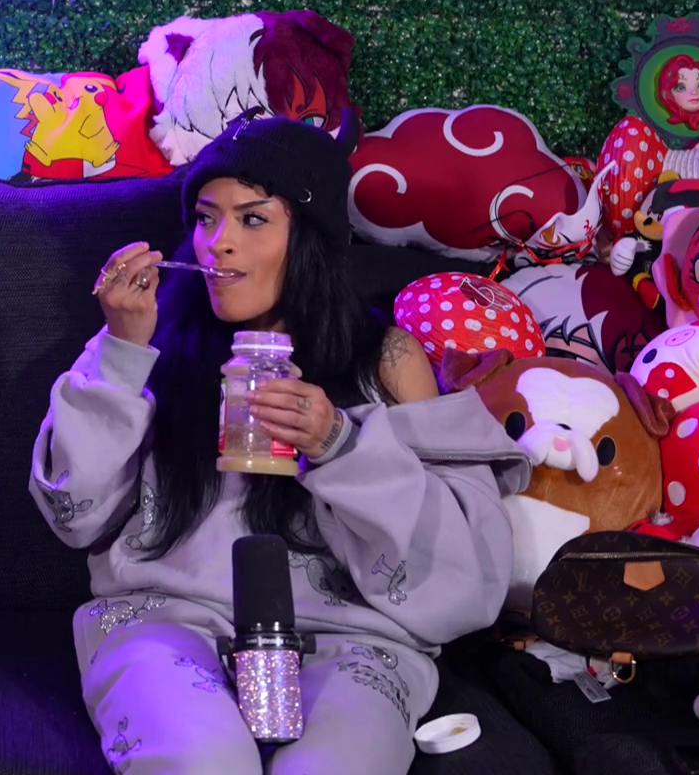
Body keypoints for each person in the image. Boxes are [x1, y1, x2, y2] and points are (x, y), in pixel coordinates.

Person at [29, 114, 530, 775]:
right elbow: (74, 515)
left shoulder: (384, 359)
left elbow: (460, 579)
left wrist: (338, 444)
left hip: (349, 640)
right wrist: (121, 353)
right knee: (203, 763)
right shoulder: (152, 342)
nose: (219, 245)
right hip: (167, 622)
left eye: (253, 219)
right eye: (206, 219)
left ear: (312, 237)